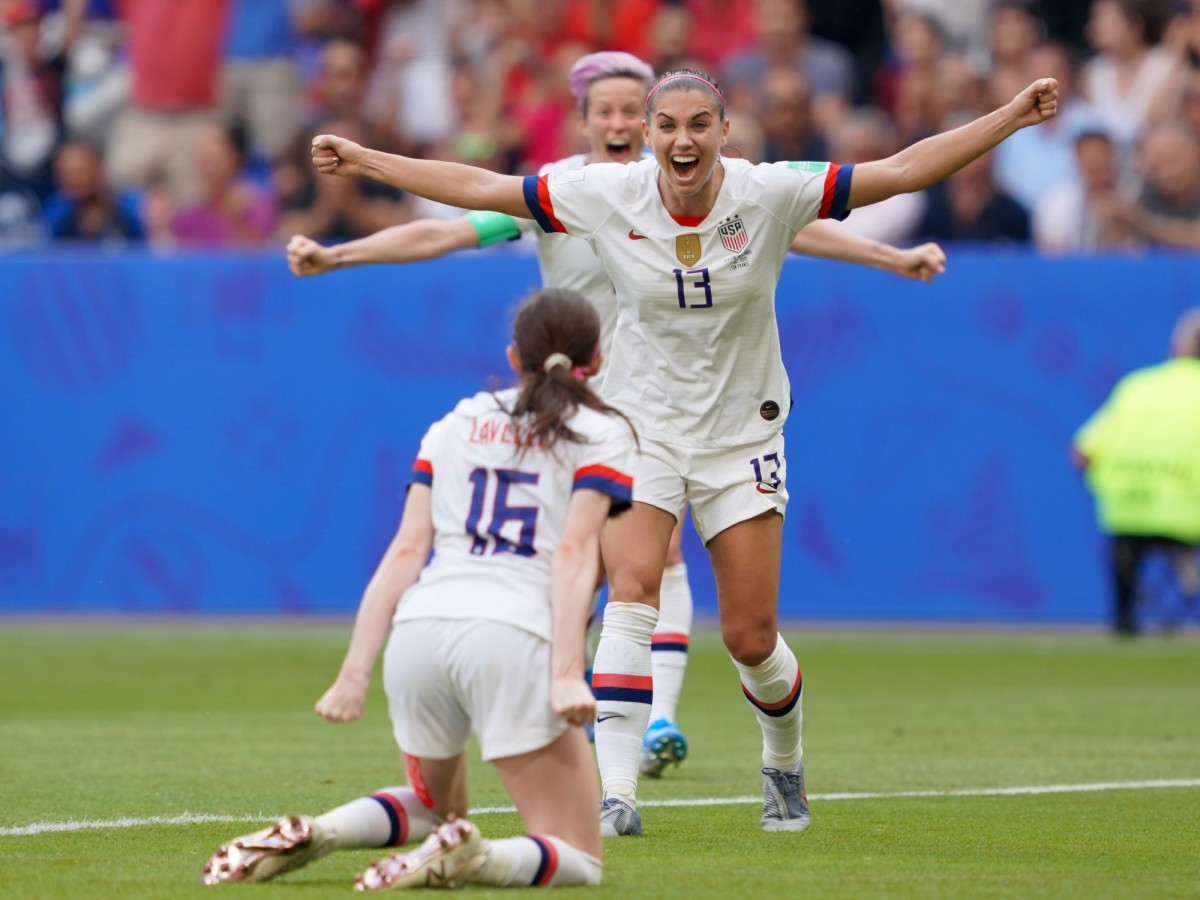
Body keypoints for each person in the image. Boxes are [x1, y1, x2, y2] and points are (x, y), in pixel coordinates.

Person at [308, 66, 1058, 836]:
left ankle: (783, 763)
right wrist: (367, 160)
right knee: (631, 588)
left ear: (725, 133)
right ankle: (618, 795)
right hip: (645, 427)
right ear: (651, 136)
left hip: (742, 434)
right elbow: (479, 188)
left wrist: (1009, 117)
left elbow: (900, 171)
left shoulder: (770, 191)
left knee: (750, 637)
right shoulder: (606, 193)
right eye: (668, 125)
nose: (682, 139)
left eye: (699, 124)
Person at [200, 287, 636, 889]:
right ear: (599, 357)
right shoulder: (603, 430)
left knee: (437, 808)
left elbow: (406, 551)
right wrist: (567, 672)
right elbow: (573, 551)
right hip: (512, 636)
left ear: (514, 356)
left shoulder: (457, 420)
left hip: (419, 632)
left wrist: (354, 673)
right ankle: (473, 859)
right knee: (580, 858)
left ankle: (323, 831)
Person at [1071, 308, 1200, 635]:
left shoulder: (1137, 387)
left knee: (1125, 548)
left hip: (1129, 513)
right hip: (1191, 517)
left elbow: (1082, 454)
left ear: (1177, 348)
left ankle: (1124, 622)